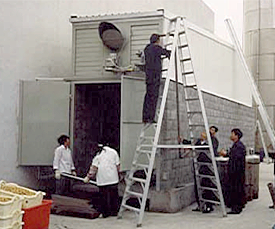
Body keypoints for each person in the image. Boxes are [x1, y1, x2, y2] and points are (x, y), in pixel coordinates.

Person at [84, 143, 120, 218]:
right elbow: (118, 166)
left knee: (104, 197)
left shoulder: (98, 155)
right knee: (113, 196)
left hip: (103, 179)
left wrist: (88, 177)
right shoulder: (114, 152)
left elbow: (94, 168)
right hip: (113, 178)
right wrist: (118, 175)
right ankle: (114, 212)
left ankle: (105, 213)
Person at [142, 33, 171, 124]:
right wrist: (170, 52)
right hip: (155, 75)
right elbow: (166, 53)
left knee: (148, 96)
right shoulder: (156, 48)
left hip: (148, 76)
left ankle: (145, 117)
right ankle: (151, 117)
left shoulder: (146, 49)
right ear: (157, 41)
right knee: (154, 97)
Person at [227, 128, 246, 214]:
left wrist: (228, 154)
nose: (231, 136)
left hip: (237, 172)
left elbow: (236, 158)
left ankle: (237, 208)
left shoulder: (239, 146)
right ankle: (238, 205)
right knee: (237, 189)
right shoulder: (236, 145)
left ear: (237, 136)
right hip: (236, 171)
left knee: (236, 189)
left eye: (232, 134)